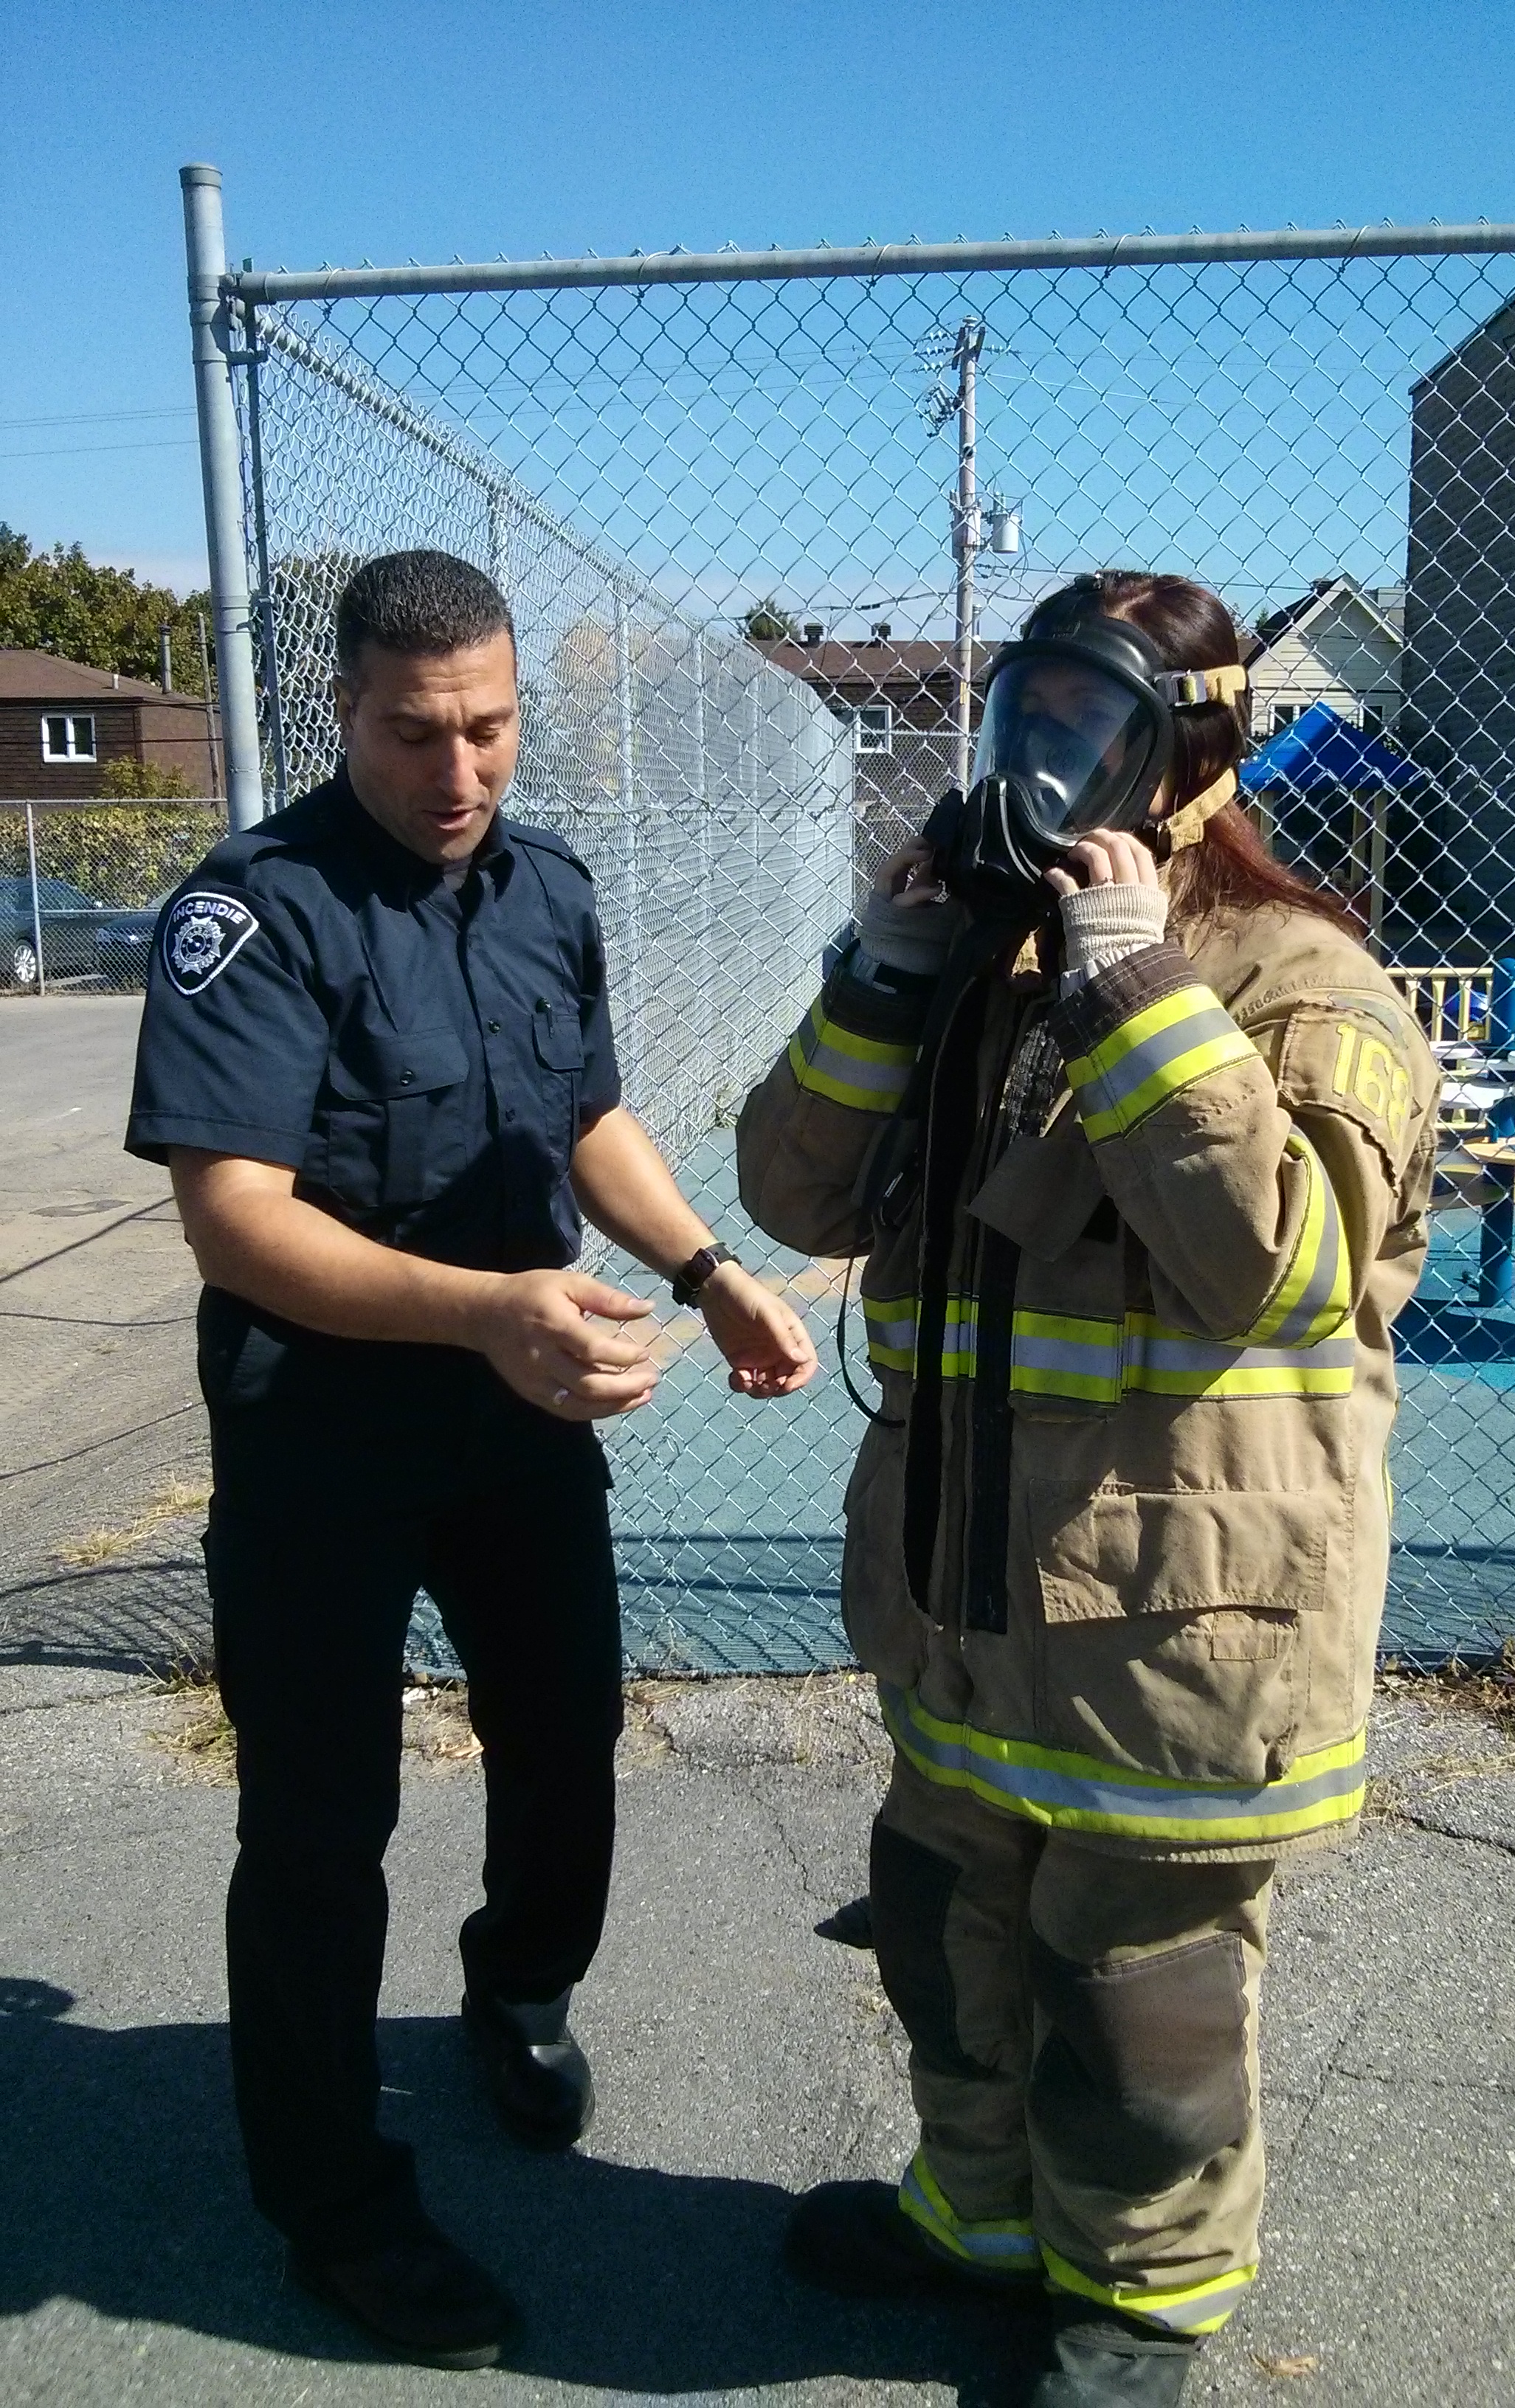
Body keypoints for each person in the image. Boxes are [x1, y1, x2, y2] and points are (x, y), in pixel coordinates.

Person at [737, 572, 1438, 2407]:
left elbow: (1279, 1267)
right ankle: (976, 2226)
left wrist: (1136, 989)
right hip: (968, 1605)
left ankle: (1139, 2306)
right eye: (1023, 721)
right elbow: (798, 1200)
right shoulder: (979, 965)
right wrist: (886, 976)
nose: (1038, 769)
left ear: (1187, 757)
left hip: (1175, 1627)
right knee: (946, 1935)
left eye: (1086, 729)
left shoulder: (1307, 990)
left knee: (1138, 2000)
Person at [125, 549, 815, 2370]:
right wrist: (485, 1312)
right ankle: (331, 2205)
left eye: (492, 727)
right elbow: (236, 1223)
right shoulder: (253, 914)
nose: (461, 770)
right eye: (419, 732)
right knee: (317, 1829)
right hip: (321, 1442)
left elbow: (584, 1110)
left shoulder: (546, 889)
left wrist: (707, 1267)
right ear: (341, 712)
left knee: (568, 1736)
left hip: (518, 1418)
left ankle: (514, 1987)